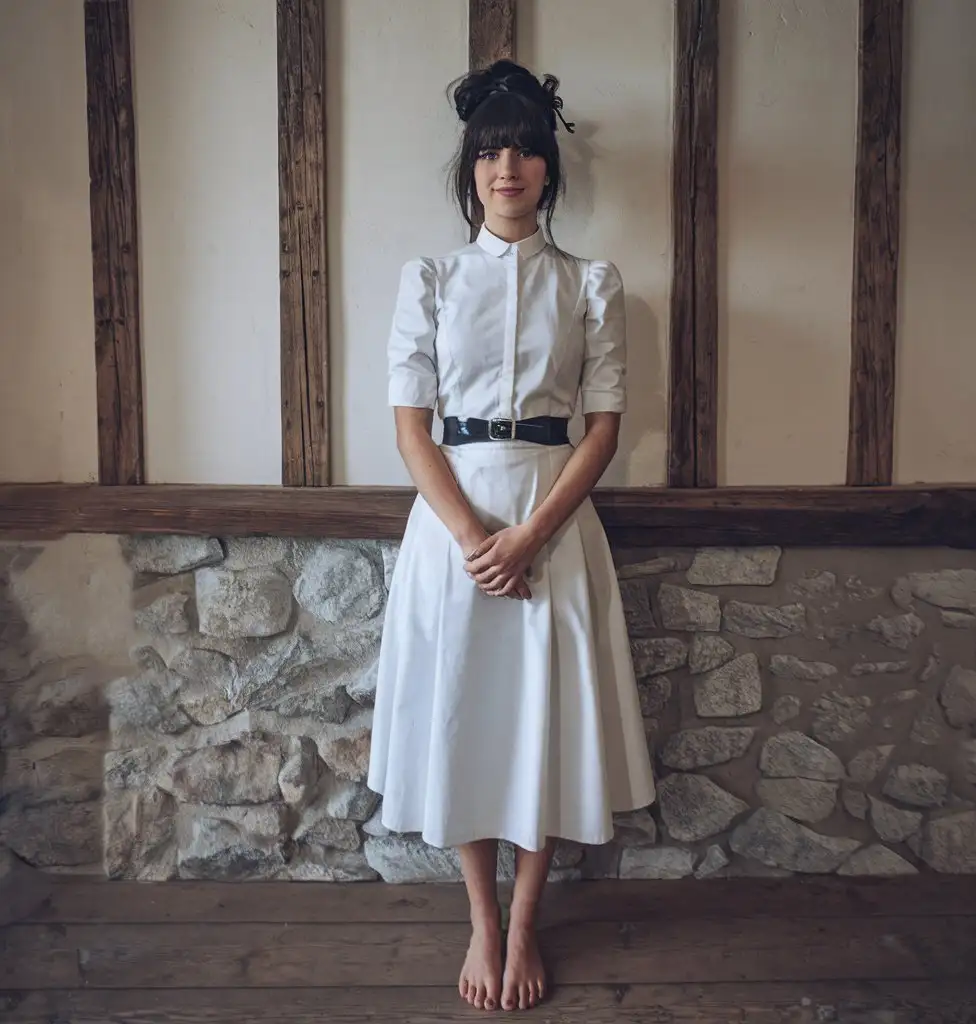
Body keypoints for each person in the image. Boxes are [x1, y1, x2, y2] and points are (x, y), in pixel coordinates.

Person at [367, 59, 655, 1013]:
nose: (508, 165)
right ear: (470, 167)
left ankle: (526, 920)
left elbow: (604, 427)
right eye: (491, 149)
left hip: (554, 520)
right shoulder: (432, 280)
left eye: (526, 148)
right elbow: (412, 426)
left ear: (548, 168)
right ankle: (480, 923)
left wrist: (528, 535)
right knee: (464, 713)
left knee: (543, 719)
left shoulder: (593, 285)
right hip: (451, 528)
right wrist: (472, 538)